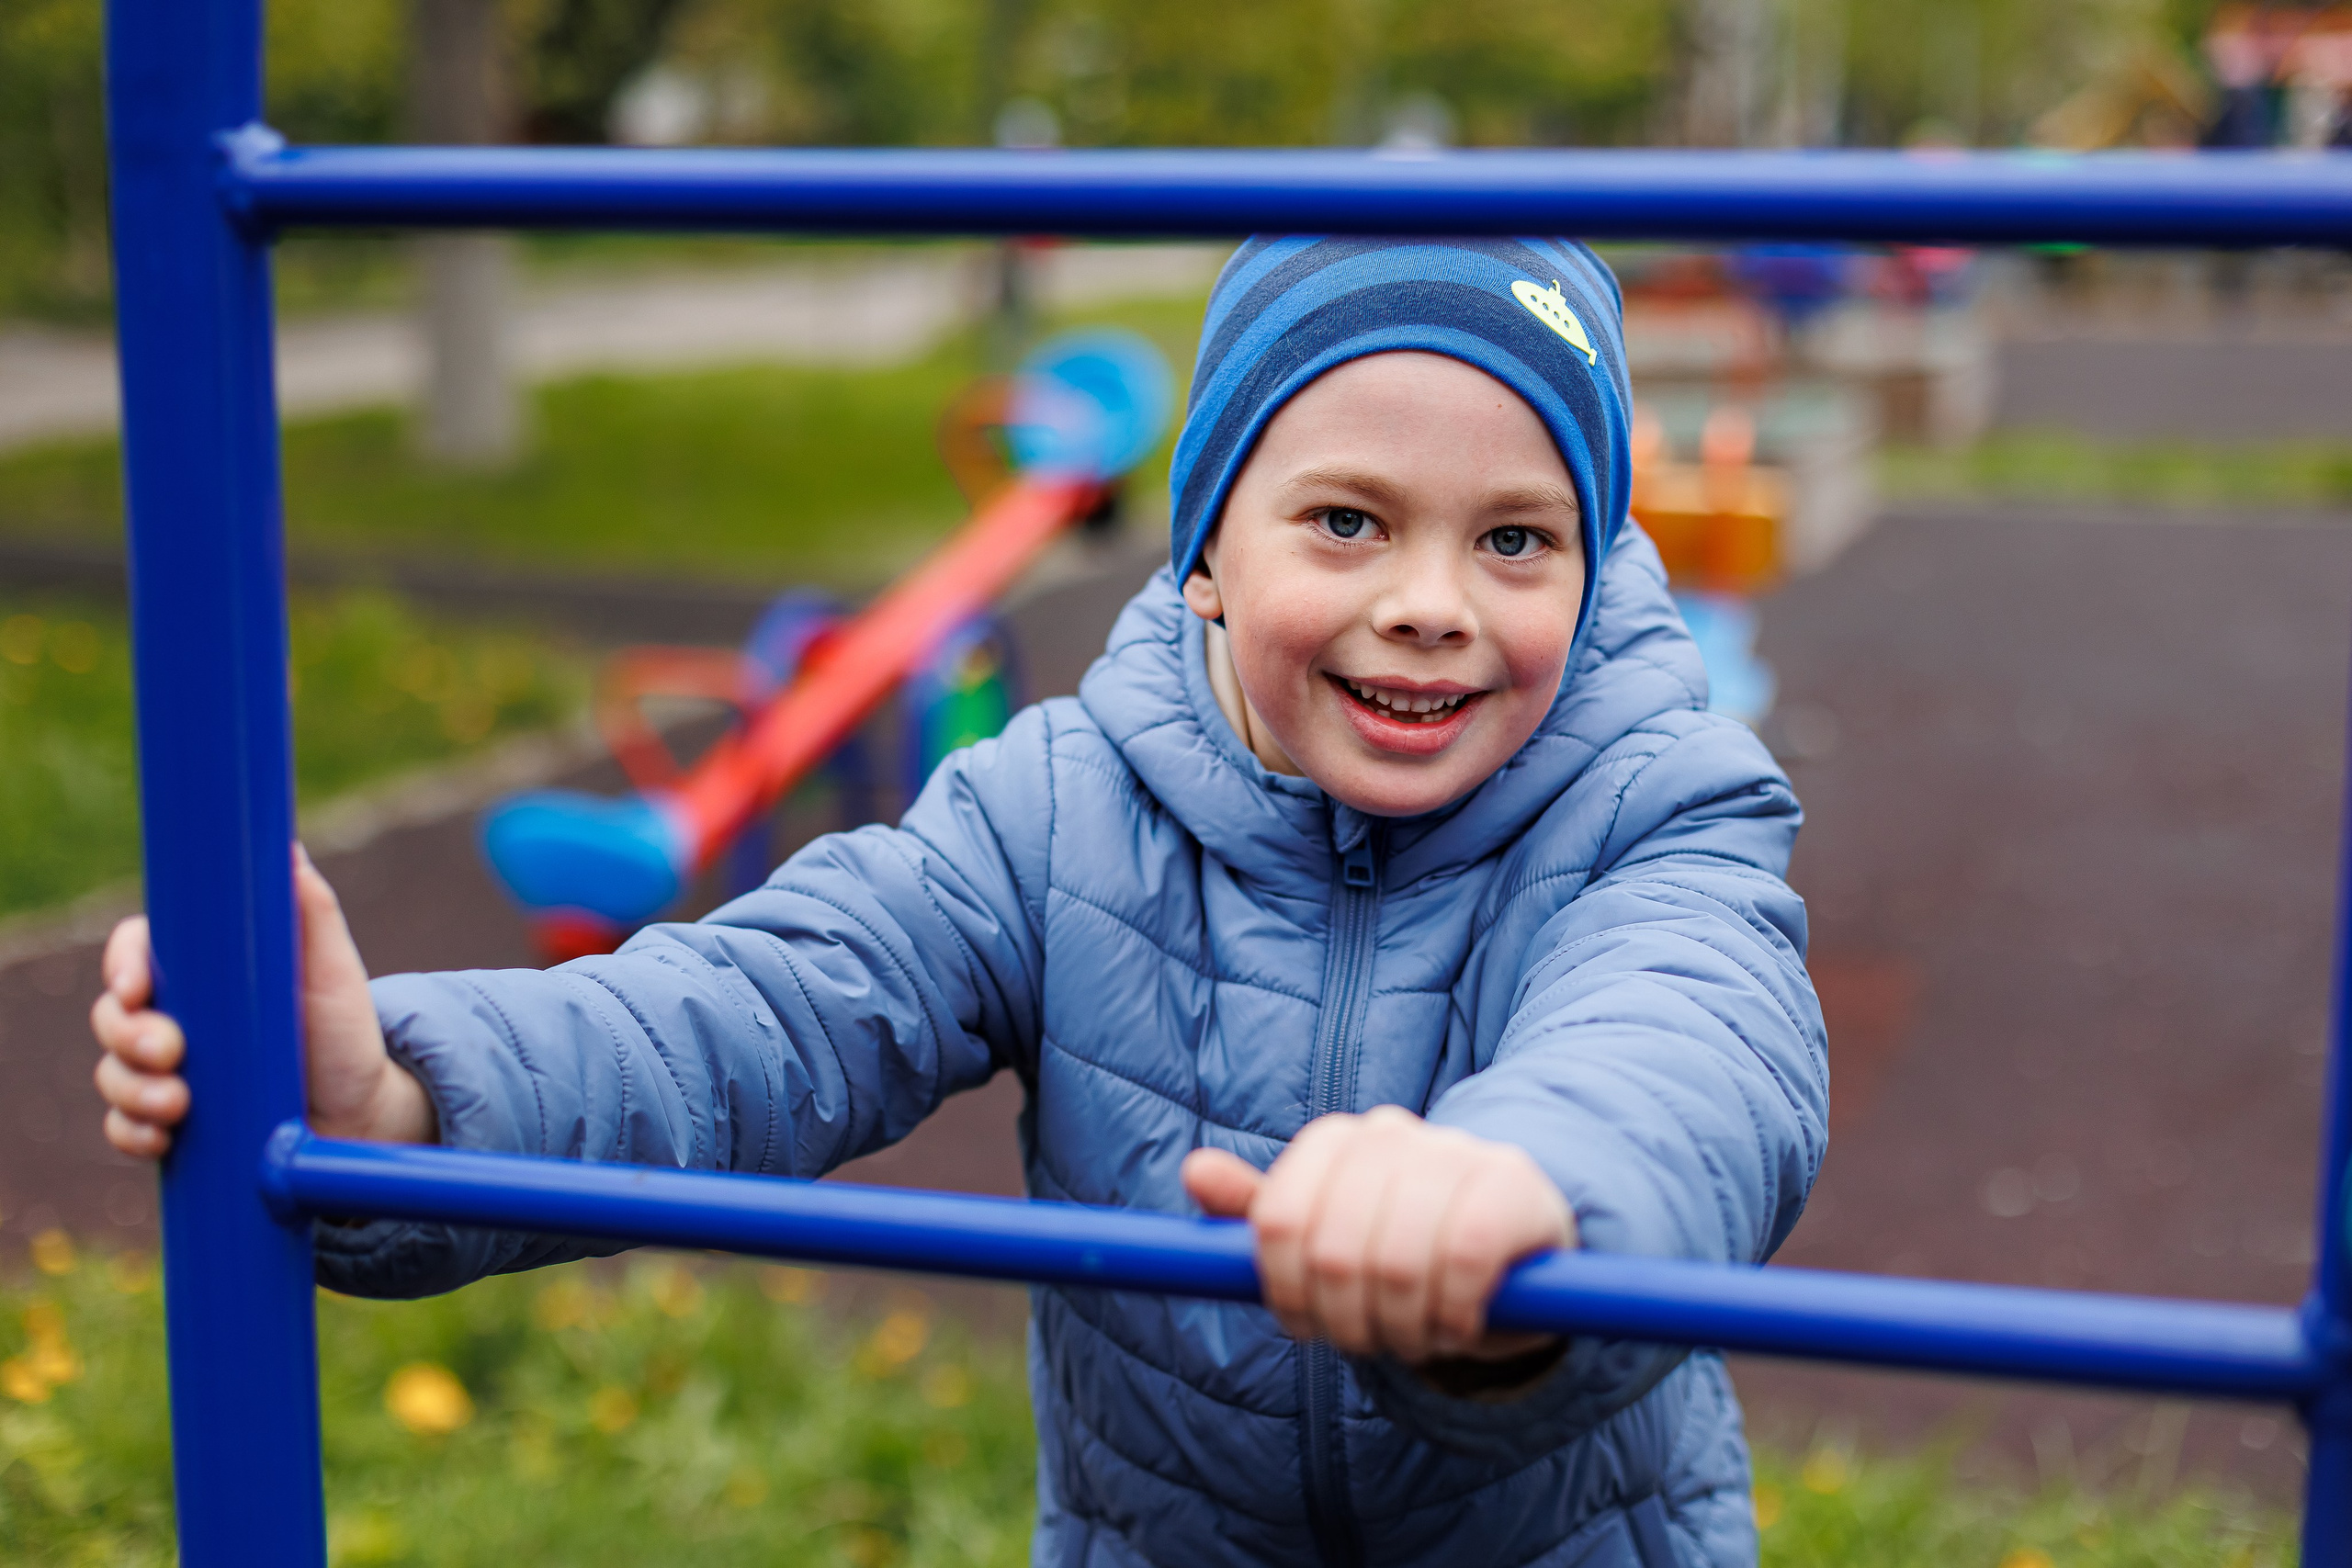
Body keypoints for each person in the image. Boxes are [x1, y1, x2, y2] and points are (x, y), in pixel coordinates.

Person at [93, 236, 1826, 1567]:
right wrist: (404, 1100)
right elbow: (768, 1009)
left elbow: (1691, 1042)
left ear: (1595, 565)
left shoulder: (1658, 805)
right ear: (1207, 559)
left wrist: (1524, 1195)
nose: (1433, 601)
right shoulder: (1059, 810)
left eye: (1517, 540)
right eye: (1350, 523)